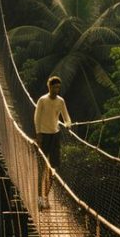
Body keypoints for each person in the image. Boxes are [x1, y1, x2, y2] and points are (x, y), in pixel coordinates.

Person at [34, 75, 72, 209]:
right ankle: (39, 198)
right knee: (41, 168)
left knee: (53, 169)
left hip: (55, 135)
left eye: (58, 87)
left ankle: (46, 197)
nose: (57, 89)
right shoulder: (42, 100)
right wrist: (38, 134)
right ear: (49, 87)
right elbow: (37, 118)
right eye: (55, 87)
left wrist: (68, 125)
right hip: (44, 136)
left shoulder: (60, 101)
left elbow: (66, 117)